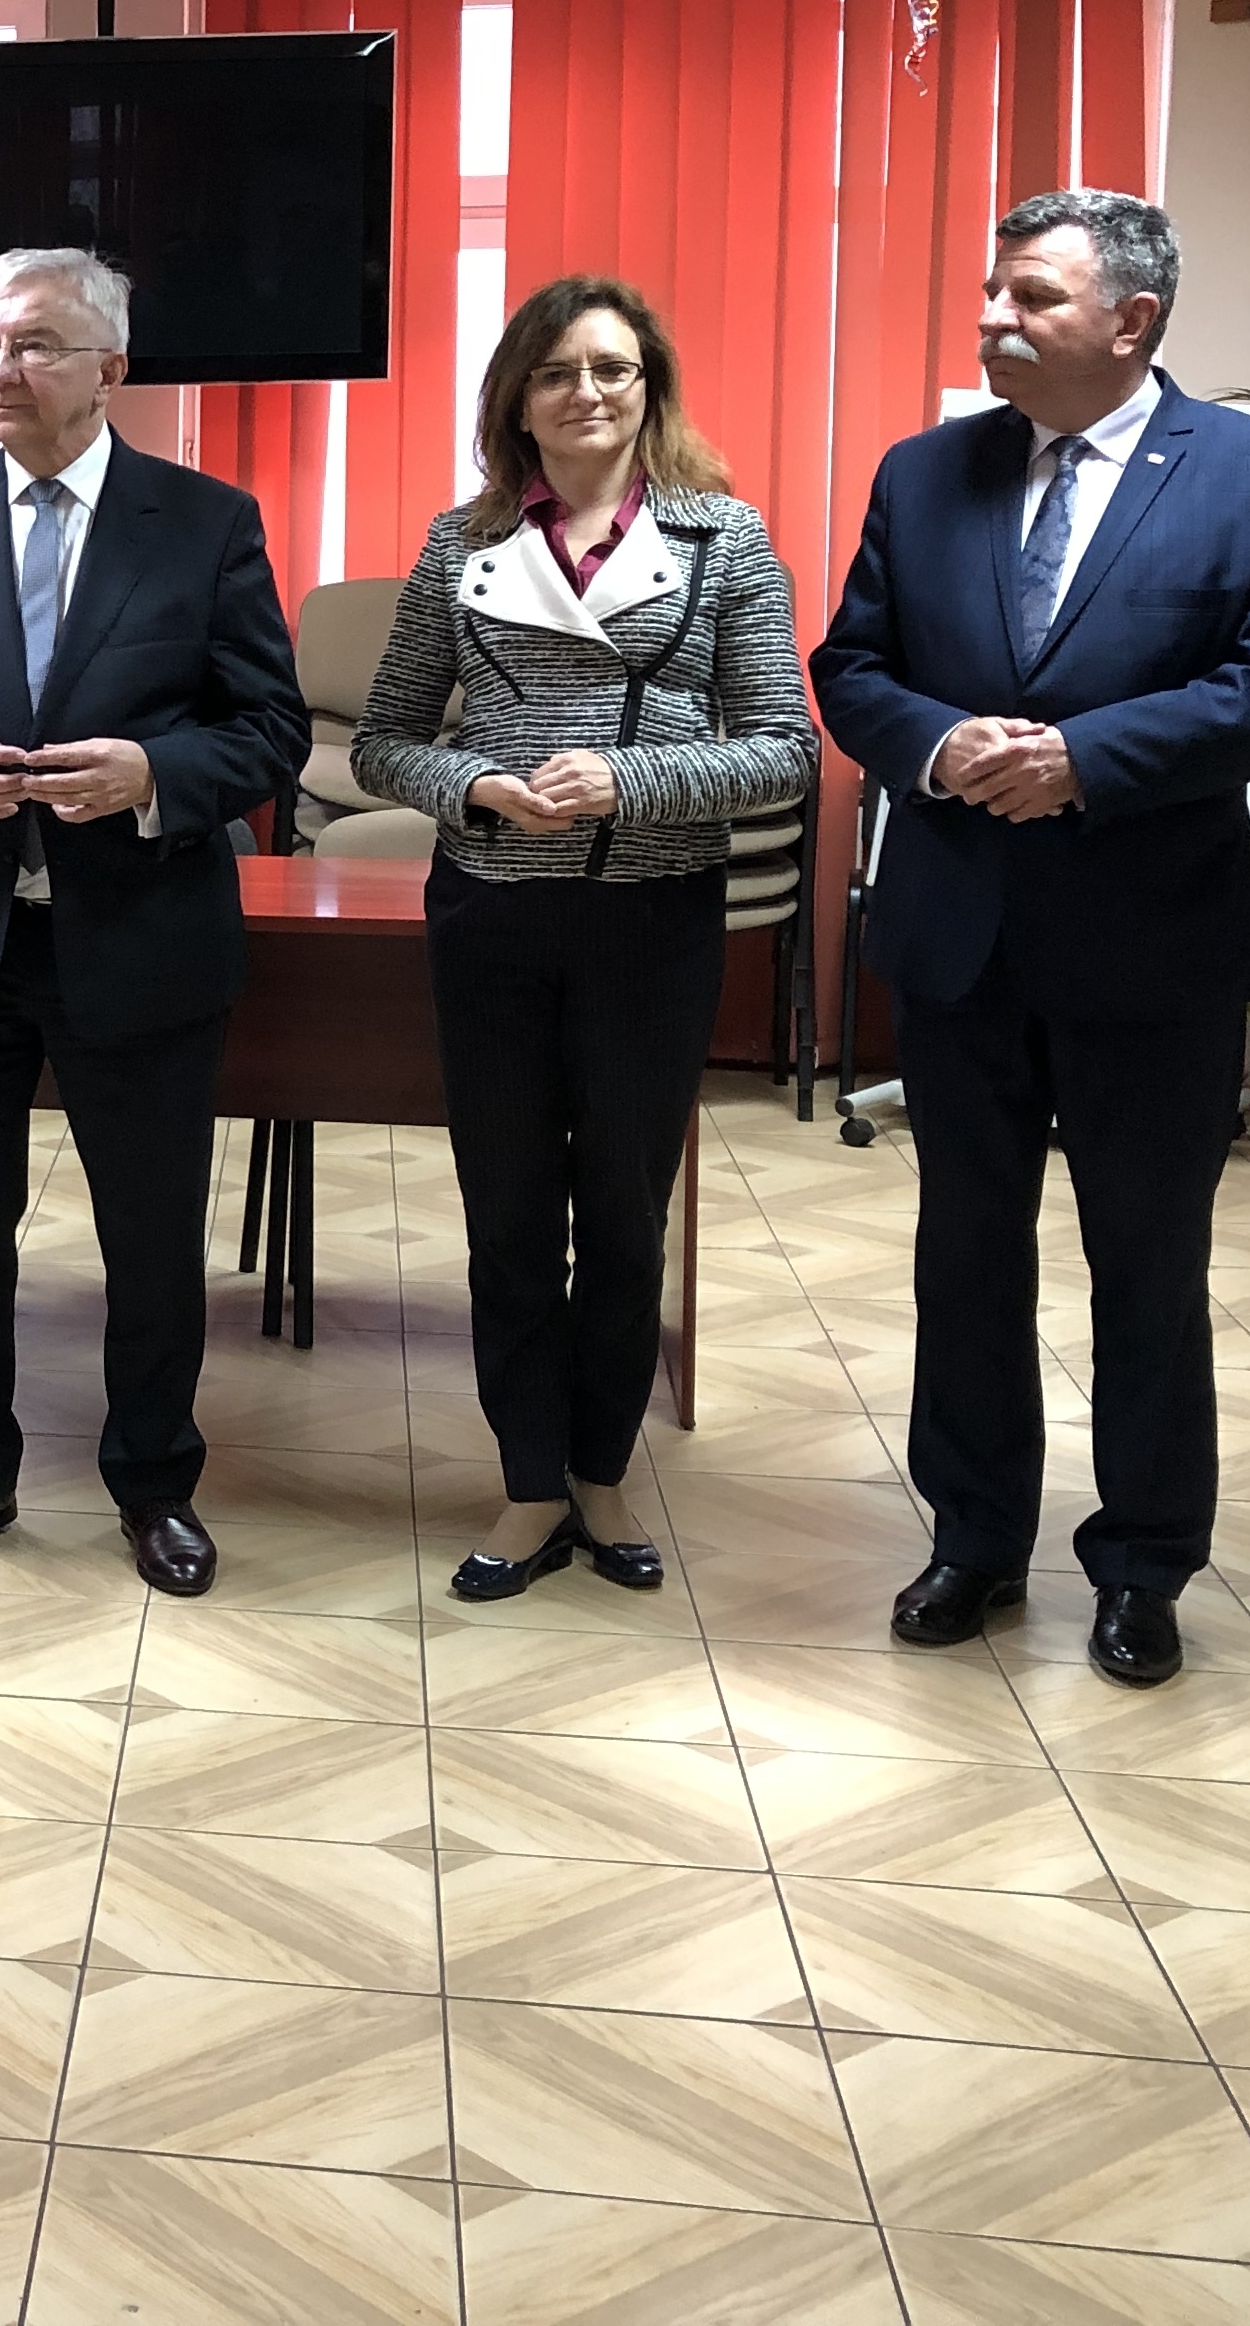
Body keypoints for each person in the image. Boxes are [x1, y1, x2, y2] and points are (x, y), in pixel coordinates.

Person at [813, 188, 1250, 1687]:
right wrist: (938, 745)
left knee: (1148, 1268)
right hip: (960, 939)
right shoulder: (927, 473)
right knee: (966, 1258)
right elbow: (852, 665)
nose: (994, 318)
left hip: (1152, 950)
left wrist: (1083, 761)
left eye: (1032, 297)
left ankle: (1143, 1564)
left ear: (1133, 320)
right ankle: (975, 1539)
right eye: (992, 292)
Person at [0, 250, 307, 1598]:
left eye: (32, 344)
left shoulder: (203, 523)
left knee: (148, 1238)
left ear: (111, 368)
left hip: (141, 937)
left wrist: (156, 777)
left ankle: (154, 1483)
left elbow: (269, 727)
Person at [351, 275, 816, 1601]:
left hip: (652, 920)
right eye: (556, 372)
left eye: (612, 368)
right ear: (518, 401)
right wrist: (473, 788)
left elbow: (785, 747)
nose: (587, 393)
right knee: (506, 1213)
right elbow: (384, 742)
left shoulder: (724, 539)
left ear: (648, 387)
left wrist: (631, 781)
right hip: (491, 913)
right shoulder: (460, 543)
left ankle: (602, 1470)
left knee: (623, 1212)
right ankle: (529, 1483)